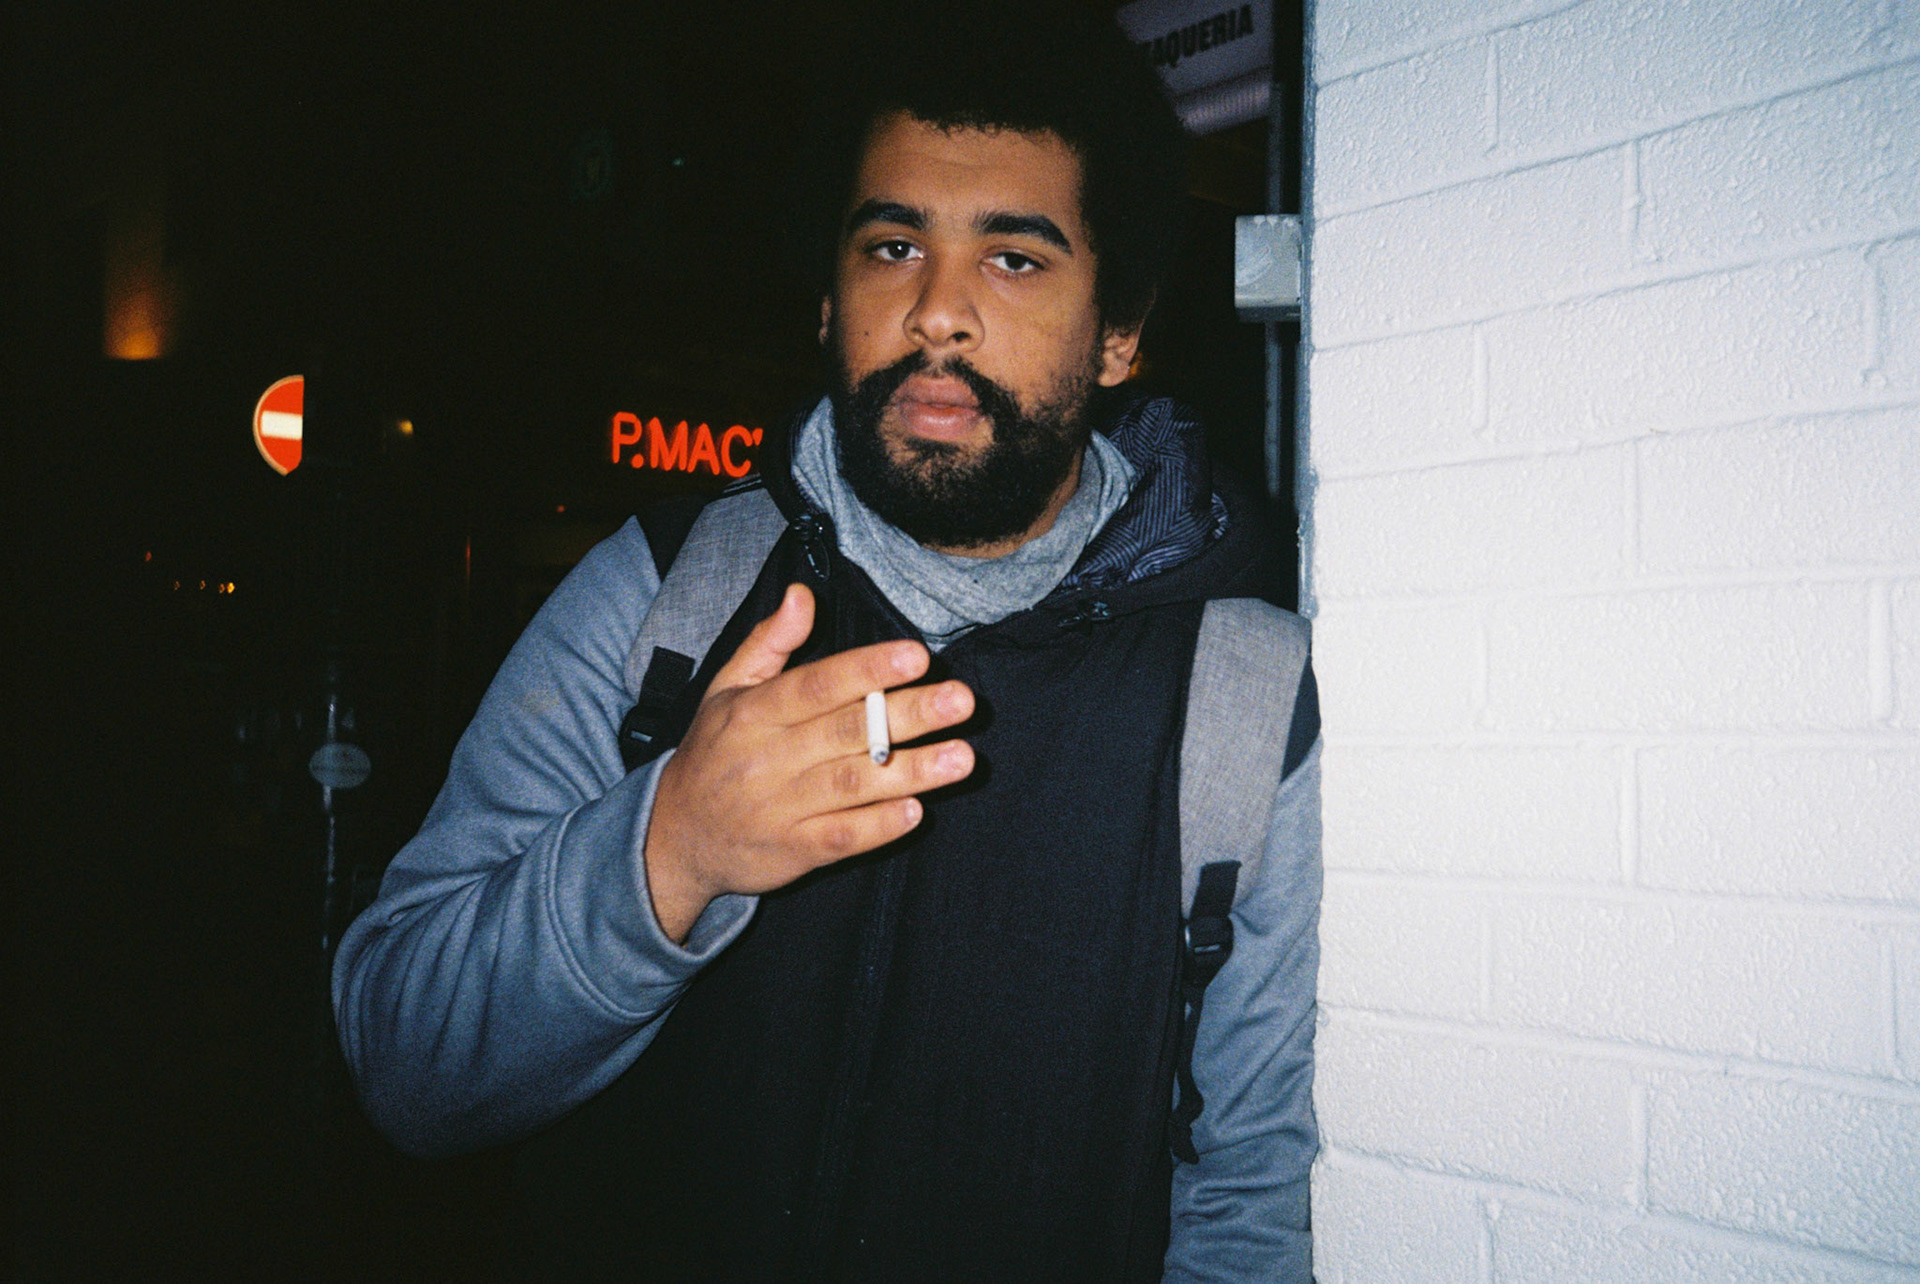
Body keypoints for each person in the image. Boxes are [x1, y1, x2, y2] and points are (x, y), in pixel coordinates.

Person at [332, 6, 1320, 1281]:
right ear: (826, 298)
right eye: (893, 247)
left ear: (1119, 331)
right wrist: (667, 853)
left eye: (1014, 259)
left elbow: (1251, 1203)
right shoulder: (666, 596)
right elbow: (401, 1065)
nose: (937, 314)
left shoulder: (1243, 695)